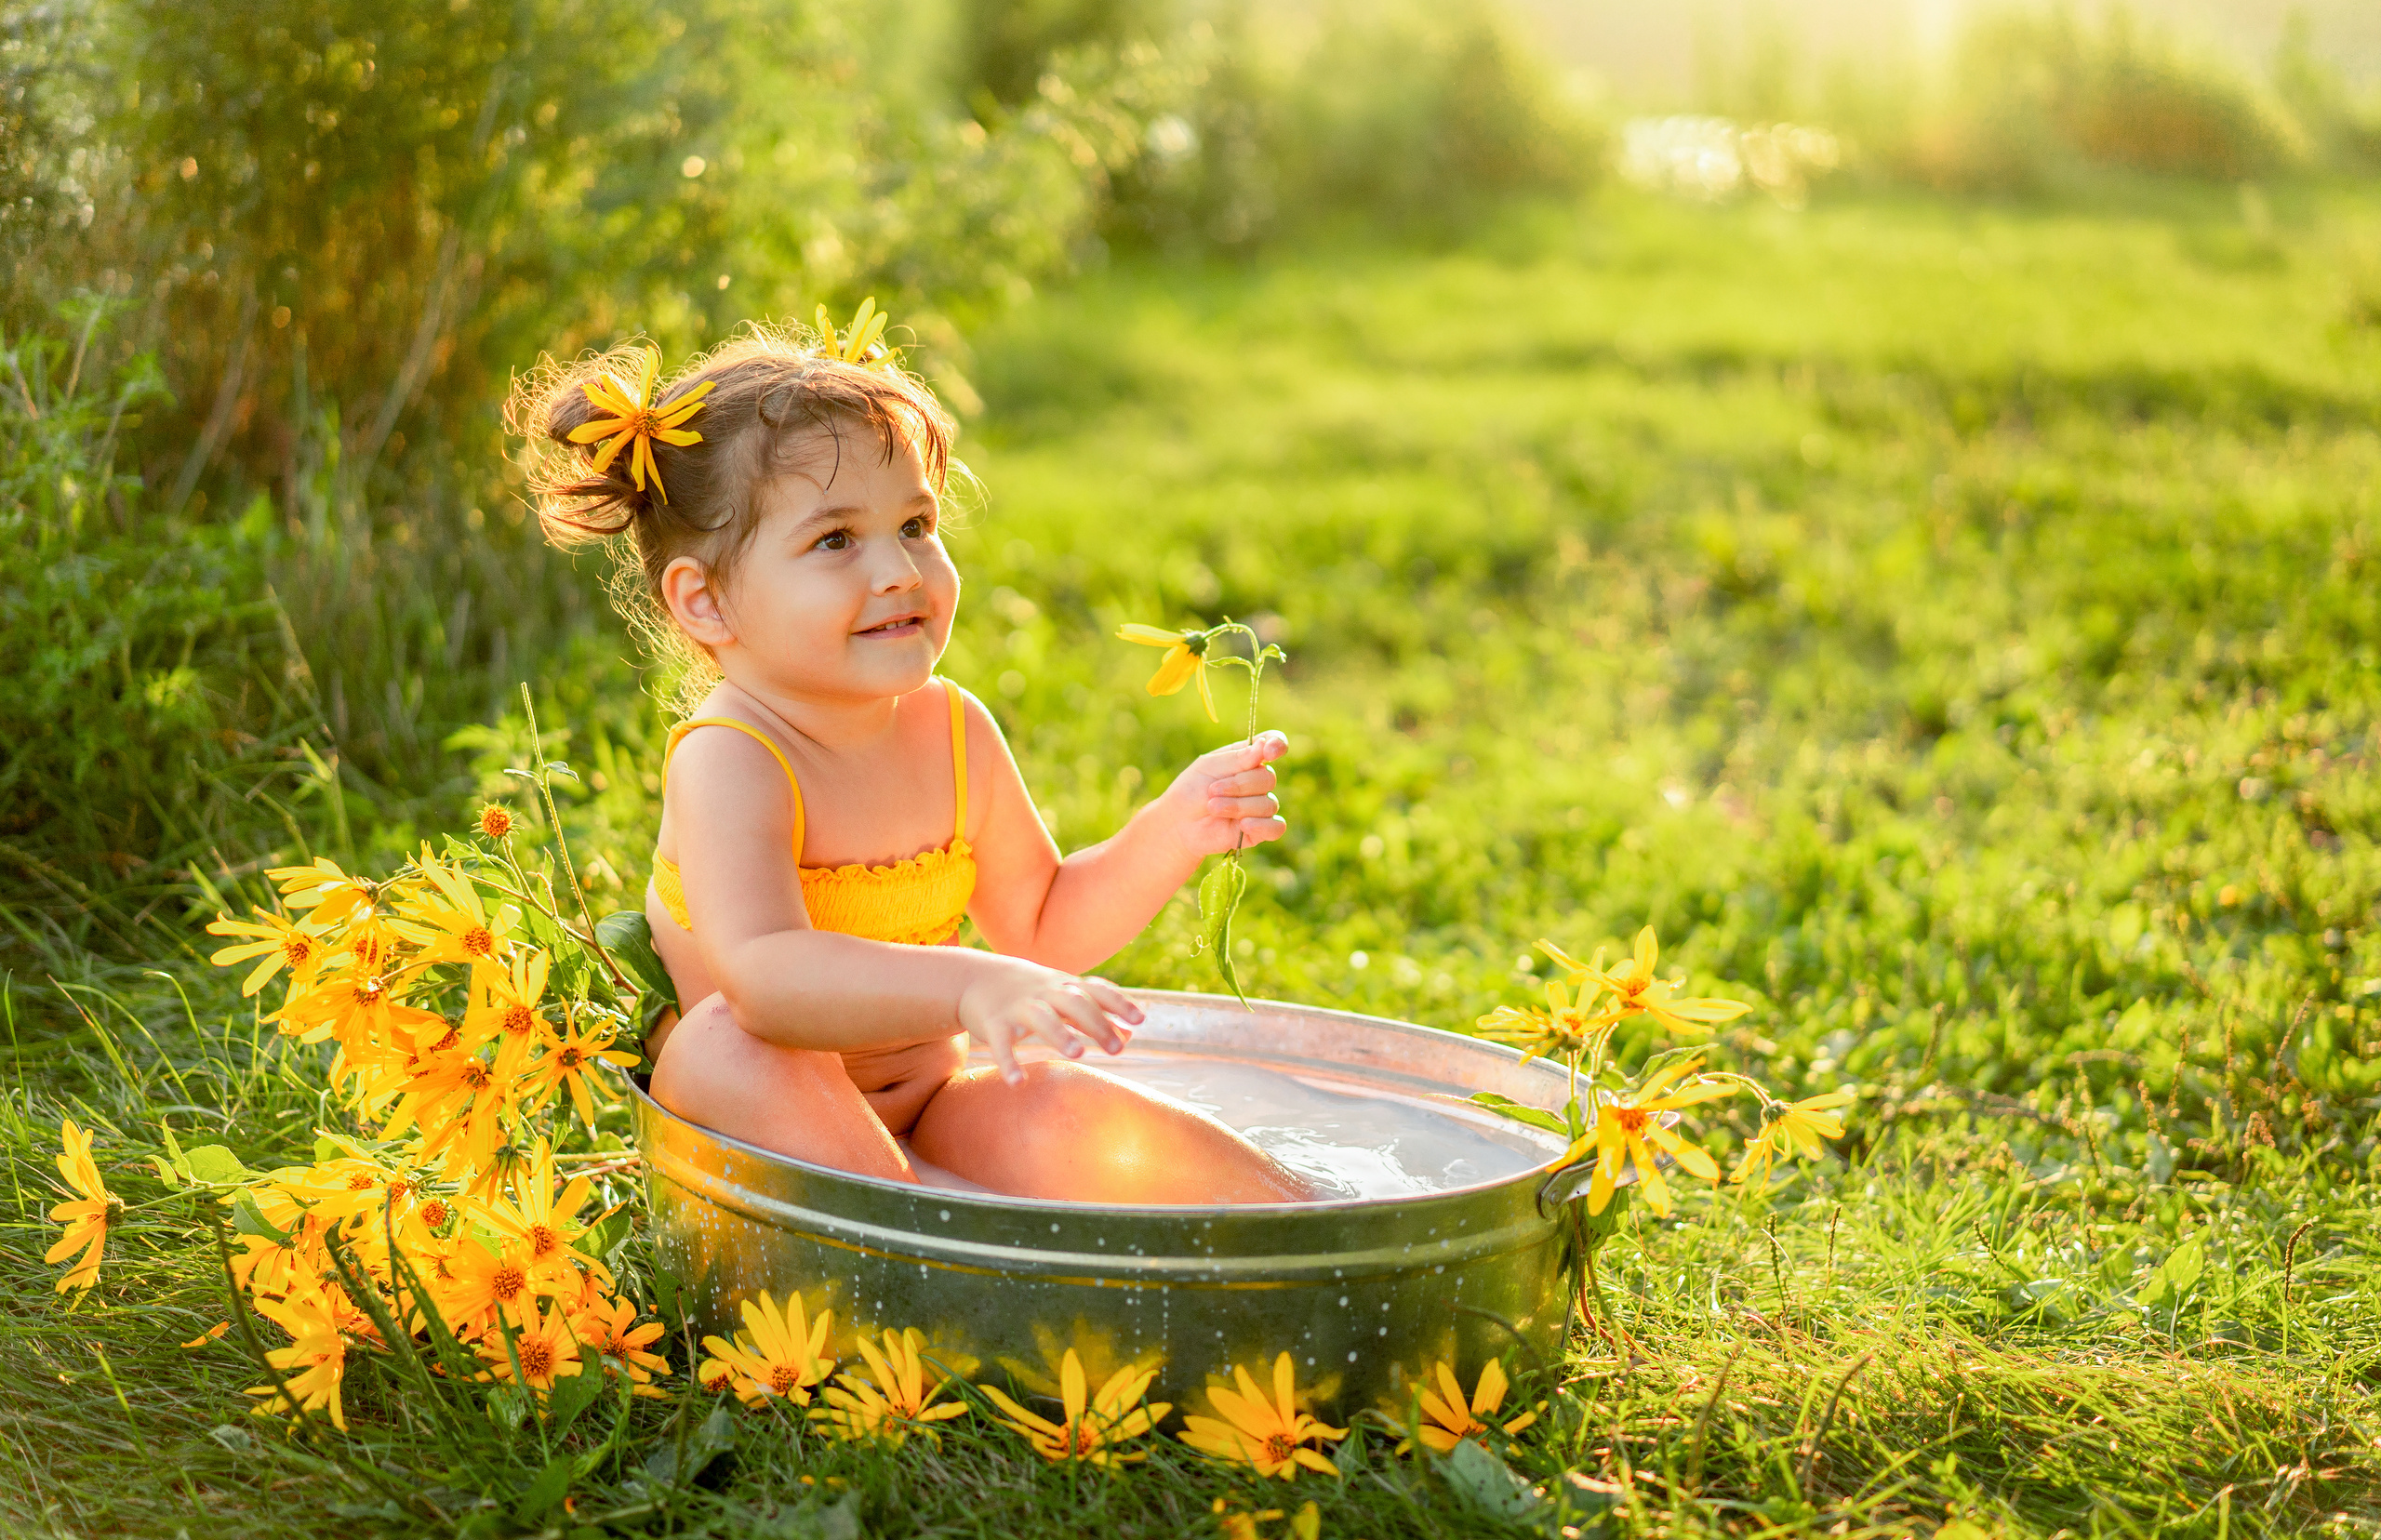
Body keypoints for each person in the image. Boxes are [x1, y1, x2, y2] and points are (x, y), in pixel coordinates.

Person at [512, 315, 1309, 1203]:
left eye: (916, 524)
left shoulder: (953, 731)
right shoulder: (731, 757)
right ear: (705, 602)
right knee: (723, 1039)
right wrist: (970, 986)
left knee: (1055, 1106)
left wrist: (1173, 829)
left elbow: (1043, 927)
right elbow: (767, 980)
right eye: (835, 540)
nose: (899, 569)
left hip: (930, 1100)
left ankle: (1307, 1221)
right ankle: (924, 1232)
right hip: (762, 1113)